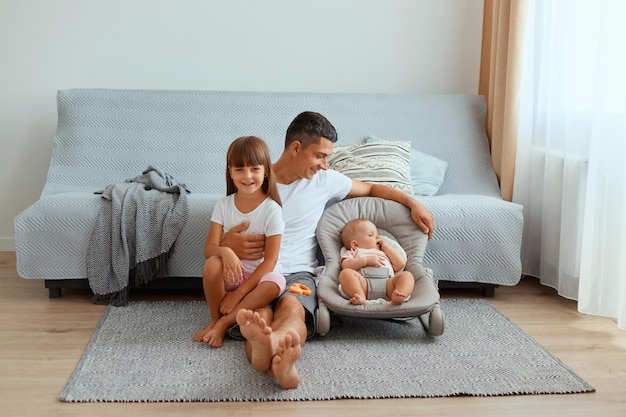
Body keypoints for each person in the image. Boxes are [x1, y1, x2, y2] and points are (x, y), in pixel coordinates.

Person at [223, 111, 434, 389]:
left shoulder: (325, 181)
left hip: (298, 274)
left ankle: (273, 347)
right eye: (320, 156)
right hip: (255, 275)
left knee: (293, 310)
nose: (324, 165)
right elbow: (224, 229)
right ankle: (268, 350)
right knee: (259, 318)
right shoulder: (253, 180)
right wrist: (228, 243)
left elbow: (370, 188)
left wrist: (413, 203)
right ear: (296, 148)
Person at [193, 136, 286, 348]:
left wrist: (239, 293)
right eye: (240, 169)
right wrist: (226, 252)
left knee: (275, 282)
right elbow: (209, 248)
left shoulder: (272, 209)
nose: (247, 176)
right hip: (233, 275)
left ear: (265, 171)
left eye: (254, 169)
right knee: (212, 264)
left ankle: (224, 323)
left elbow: (270, 261)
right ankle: (215, 320)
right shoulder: (223, 205)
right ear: (230, 172)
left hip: (259, 281)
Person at [338, 218, 414, 305]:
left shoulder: (384, 252)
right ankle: (359, 295)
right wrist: (366, 261)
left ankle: (398, 295)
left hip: (387, 284)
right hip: (363, 284)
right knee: (345, 274)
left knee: (407, 275)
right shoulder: (354, 252)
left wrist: (386, 248)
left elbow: (400, 264)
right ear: (355, 244)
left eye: (377, 235)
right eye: (371, 235)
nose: (378, 237)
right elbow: (346, 266)